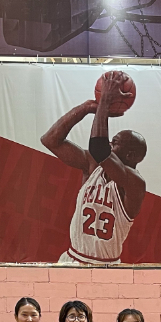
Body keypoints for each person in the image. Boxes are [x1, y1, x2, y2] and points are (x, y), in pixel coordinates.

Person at [41, 70, 147, 265]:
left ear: (130, 155)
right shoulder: (92, 165)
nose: (110, 144)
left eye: (115, 142)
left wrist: (104, 103)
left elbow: (99, 147)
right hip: (72, 260)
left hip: (105, 267)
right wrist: (86, 108)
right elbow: (50, 140)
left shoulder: (134, 184)